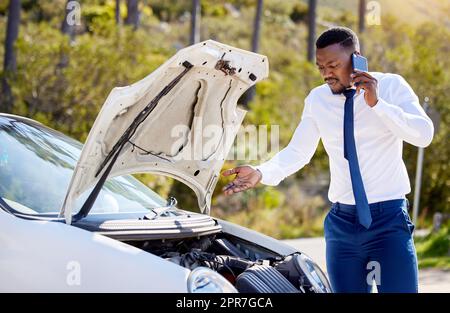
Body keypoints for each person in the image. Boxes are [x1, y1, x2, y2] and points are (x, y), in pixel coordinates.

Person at [221, 26, 434, 293]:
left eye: (333, 65)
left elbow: (423, 135)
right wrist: (261, 172)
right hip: (342, 226)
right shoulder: (317, 99)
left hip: (388, 221)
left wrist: (378, 104)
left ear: (356, 57)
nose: (326, 74)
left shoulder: (391, 86)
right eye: (321, 66)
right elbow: (298, 151)